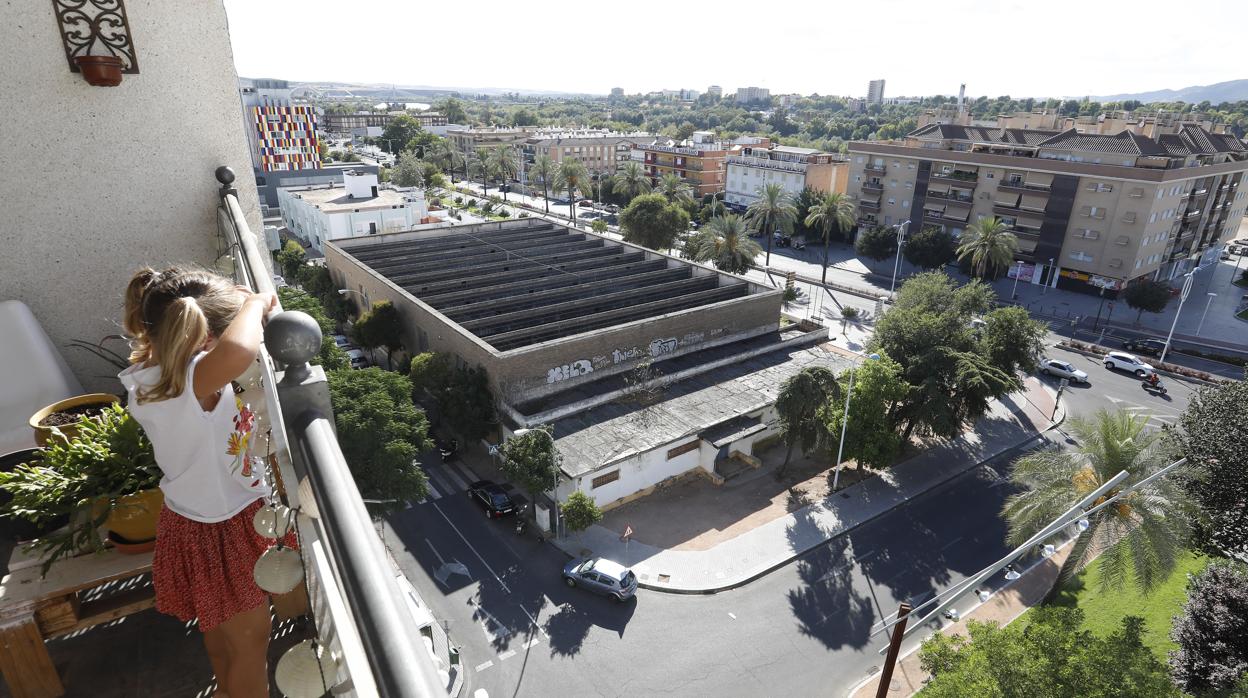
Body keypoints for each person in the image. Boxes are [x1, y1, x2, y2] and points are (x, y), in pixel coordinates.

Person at [118, 266, 281, 698]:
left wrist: (239, 306)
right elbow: (239, 351)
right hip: (223, 526)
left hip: (191, 520)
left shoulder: (148, 376)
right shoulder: (194, 381)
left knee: (220, 628)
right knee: (251, 644)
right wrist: (256, 303)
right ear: (207, 340)